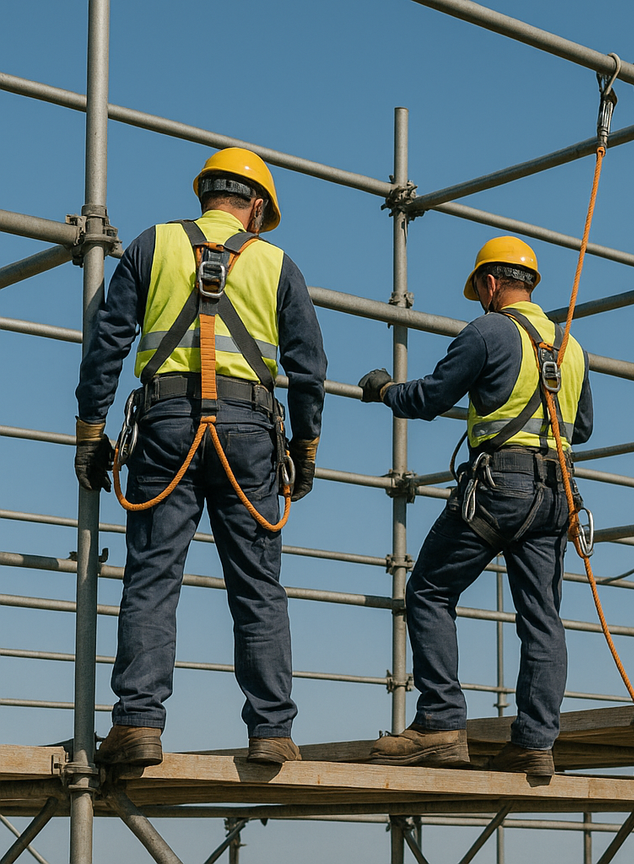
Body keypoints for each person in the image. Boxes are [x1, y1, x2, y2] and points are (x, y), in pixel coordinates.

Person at [74, 148, 326, 766]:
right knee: (258, 586)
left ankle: (138, 723)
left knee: (153, 578)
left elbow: (107, 343)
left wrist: (90, 431)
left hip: (165, 426)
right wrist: (305, 447)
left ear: (205, 194)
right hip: (249, 434)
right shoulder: (276, 263)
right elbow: (310, 367)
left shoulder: (150, 246)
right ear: (257, 205)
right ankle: (271, 730)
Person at [360, 236, 593, 777]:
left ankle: (440, 724)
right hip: (557, 492)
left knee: (430, 589)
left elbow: (429, 398)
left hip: (499, 488)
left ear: (491, 284)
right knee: (542, 616)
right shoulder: (570, 346)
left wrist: (383, 389)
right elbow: (580, 428)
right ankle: (535, 742)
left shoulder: (488, 330)